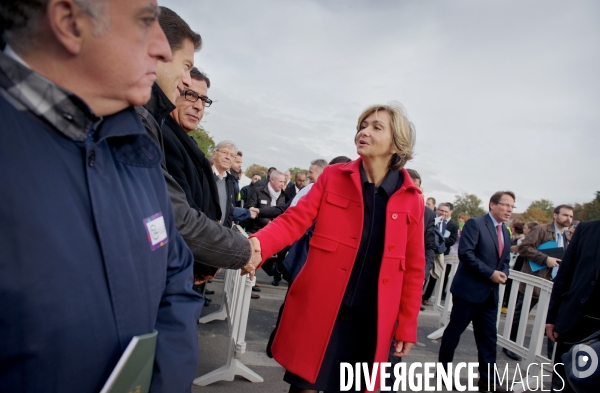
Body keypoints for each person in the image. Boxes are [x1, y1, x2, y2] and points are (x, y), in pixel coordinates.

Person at [0, 0, 200, 391]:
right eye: (146, 21)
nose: (162, 49)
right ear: (69, 22)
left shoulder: (135, 149)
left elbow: (175, 275)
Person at [249, 103, 424, 392]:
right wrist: (258, 245)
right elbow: (294, 220)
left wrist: (407, 325)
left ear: (396, 144)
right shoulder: (333, 177)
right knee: (305, 386)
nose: (364, 132)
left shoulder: (412, 199)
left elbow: (414, 269)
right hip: (323, 308)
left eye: (376, 127)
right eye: (362, 126)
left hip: (373, 318)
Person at [135, 7, 259, 283]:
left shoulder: (173, 136)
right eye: (190, 93)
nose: (196, 103)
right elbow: (174, 217)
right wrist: (237, 249)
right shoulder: (155, 133)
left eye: (204, 100)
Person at [438, 191, 515, 392]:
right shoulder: (476, 224)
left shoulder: (505, 232)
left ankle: (487, 379)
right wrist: (490, 273)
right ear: (492, 204)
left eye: (512, 207)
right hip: (469, 291)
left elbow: (505, 260)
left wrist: (503, 273)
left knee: (489, 337)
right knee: (453, 334)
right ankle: (443, 373)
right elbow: (466, 254)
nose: (509, 210)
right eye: (505, 205)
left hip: (490, 293)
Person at [502, 205, 574, 360]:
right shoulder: (541, 230)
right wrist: (545, 259)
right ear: (555, 215)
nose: (568, 219)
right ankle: (510, 345)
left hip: (554, 282)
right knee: (521, 314)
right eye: (565, 215)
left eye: (570, 216)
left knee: (551, 319)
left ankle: (551, 356)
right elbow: (524, 248)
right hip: (535, 280)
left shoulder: (567, 236)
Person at [546, 220, 600, 393]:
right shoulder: (587, 229)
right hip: (574, 321)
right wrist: (552, 318)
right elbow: (564, 274)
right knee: (563, 382)